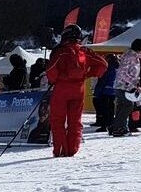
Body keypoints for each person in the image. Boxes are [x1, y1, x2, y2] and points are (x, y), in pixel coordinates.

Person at [46, 24, 108, 157]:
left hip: (61, 88)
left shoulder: (61, 51)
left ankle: (61, 150)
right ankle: (72, 149)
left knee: (58, 120)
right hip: (79, 88)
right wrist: (88, 74)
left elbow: (51, 70)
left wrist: (55, 80)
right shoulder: (85, 51)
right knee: (75, 121)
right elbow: (103, 64)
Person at [109, 39, 141, 137]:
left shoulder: (132, 56)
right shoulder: (131, 57)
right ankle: (118, 128)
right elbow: (122, 72)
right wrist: (133, 83)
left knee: (122, 106)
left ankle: (118, 127)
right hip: (124, 86)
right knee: (128, 105)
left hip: (124, 85)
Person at [91, 54, 119, 132]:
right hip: (113, 91)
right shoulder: (117, 67)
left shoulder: (107, 68)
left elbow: (102, 80)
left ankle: (104, 125)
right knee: (111, 109)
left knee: (104, 109)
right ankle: (111, 124)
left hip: (105, 91)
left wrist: (97, 92)